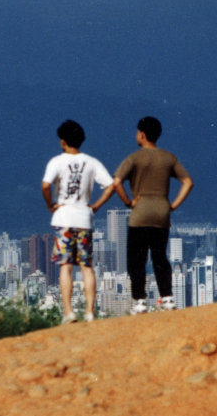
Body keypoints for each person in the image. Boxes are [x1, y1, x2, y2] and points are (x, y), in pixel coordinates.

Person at [113, 116, 193, 314]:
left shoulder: (134, 158)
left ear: (141, 134)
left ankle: (140, 301)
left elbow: (116, 182)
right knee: (160, 257)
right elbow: (188, 182)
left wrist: (128, 202)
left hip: (140, 214)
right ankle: (167, 298)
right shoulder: (168, 158)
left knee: (136, 259)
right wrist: (172, 205)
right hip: (161, 214)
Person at [42, 120, 117, 324]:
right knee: (86, 266)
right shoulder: (92, 162)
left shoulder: (56, 162)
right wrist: (96, 205)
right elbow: (111, 185)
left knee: (65, 266)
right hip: (85, 218)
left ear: (63, 141)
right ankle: (90, 312)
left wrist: (51, 205)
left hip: (64, 217)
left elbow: (46, 185)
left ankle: (69, 312)